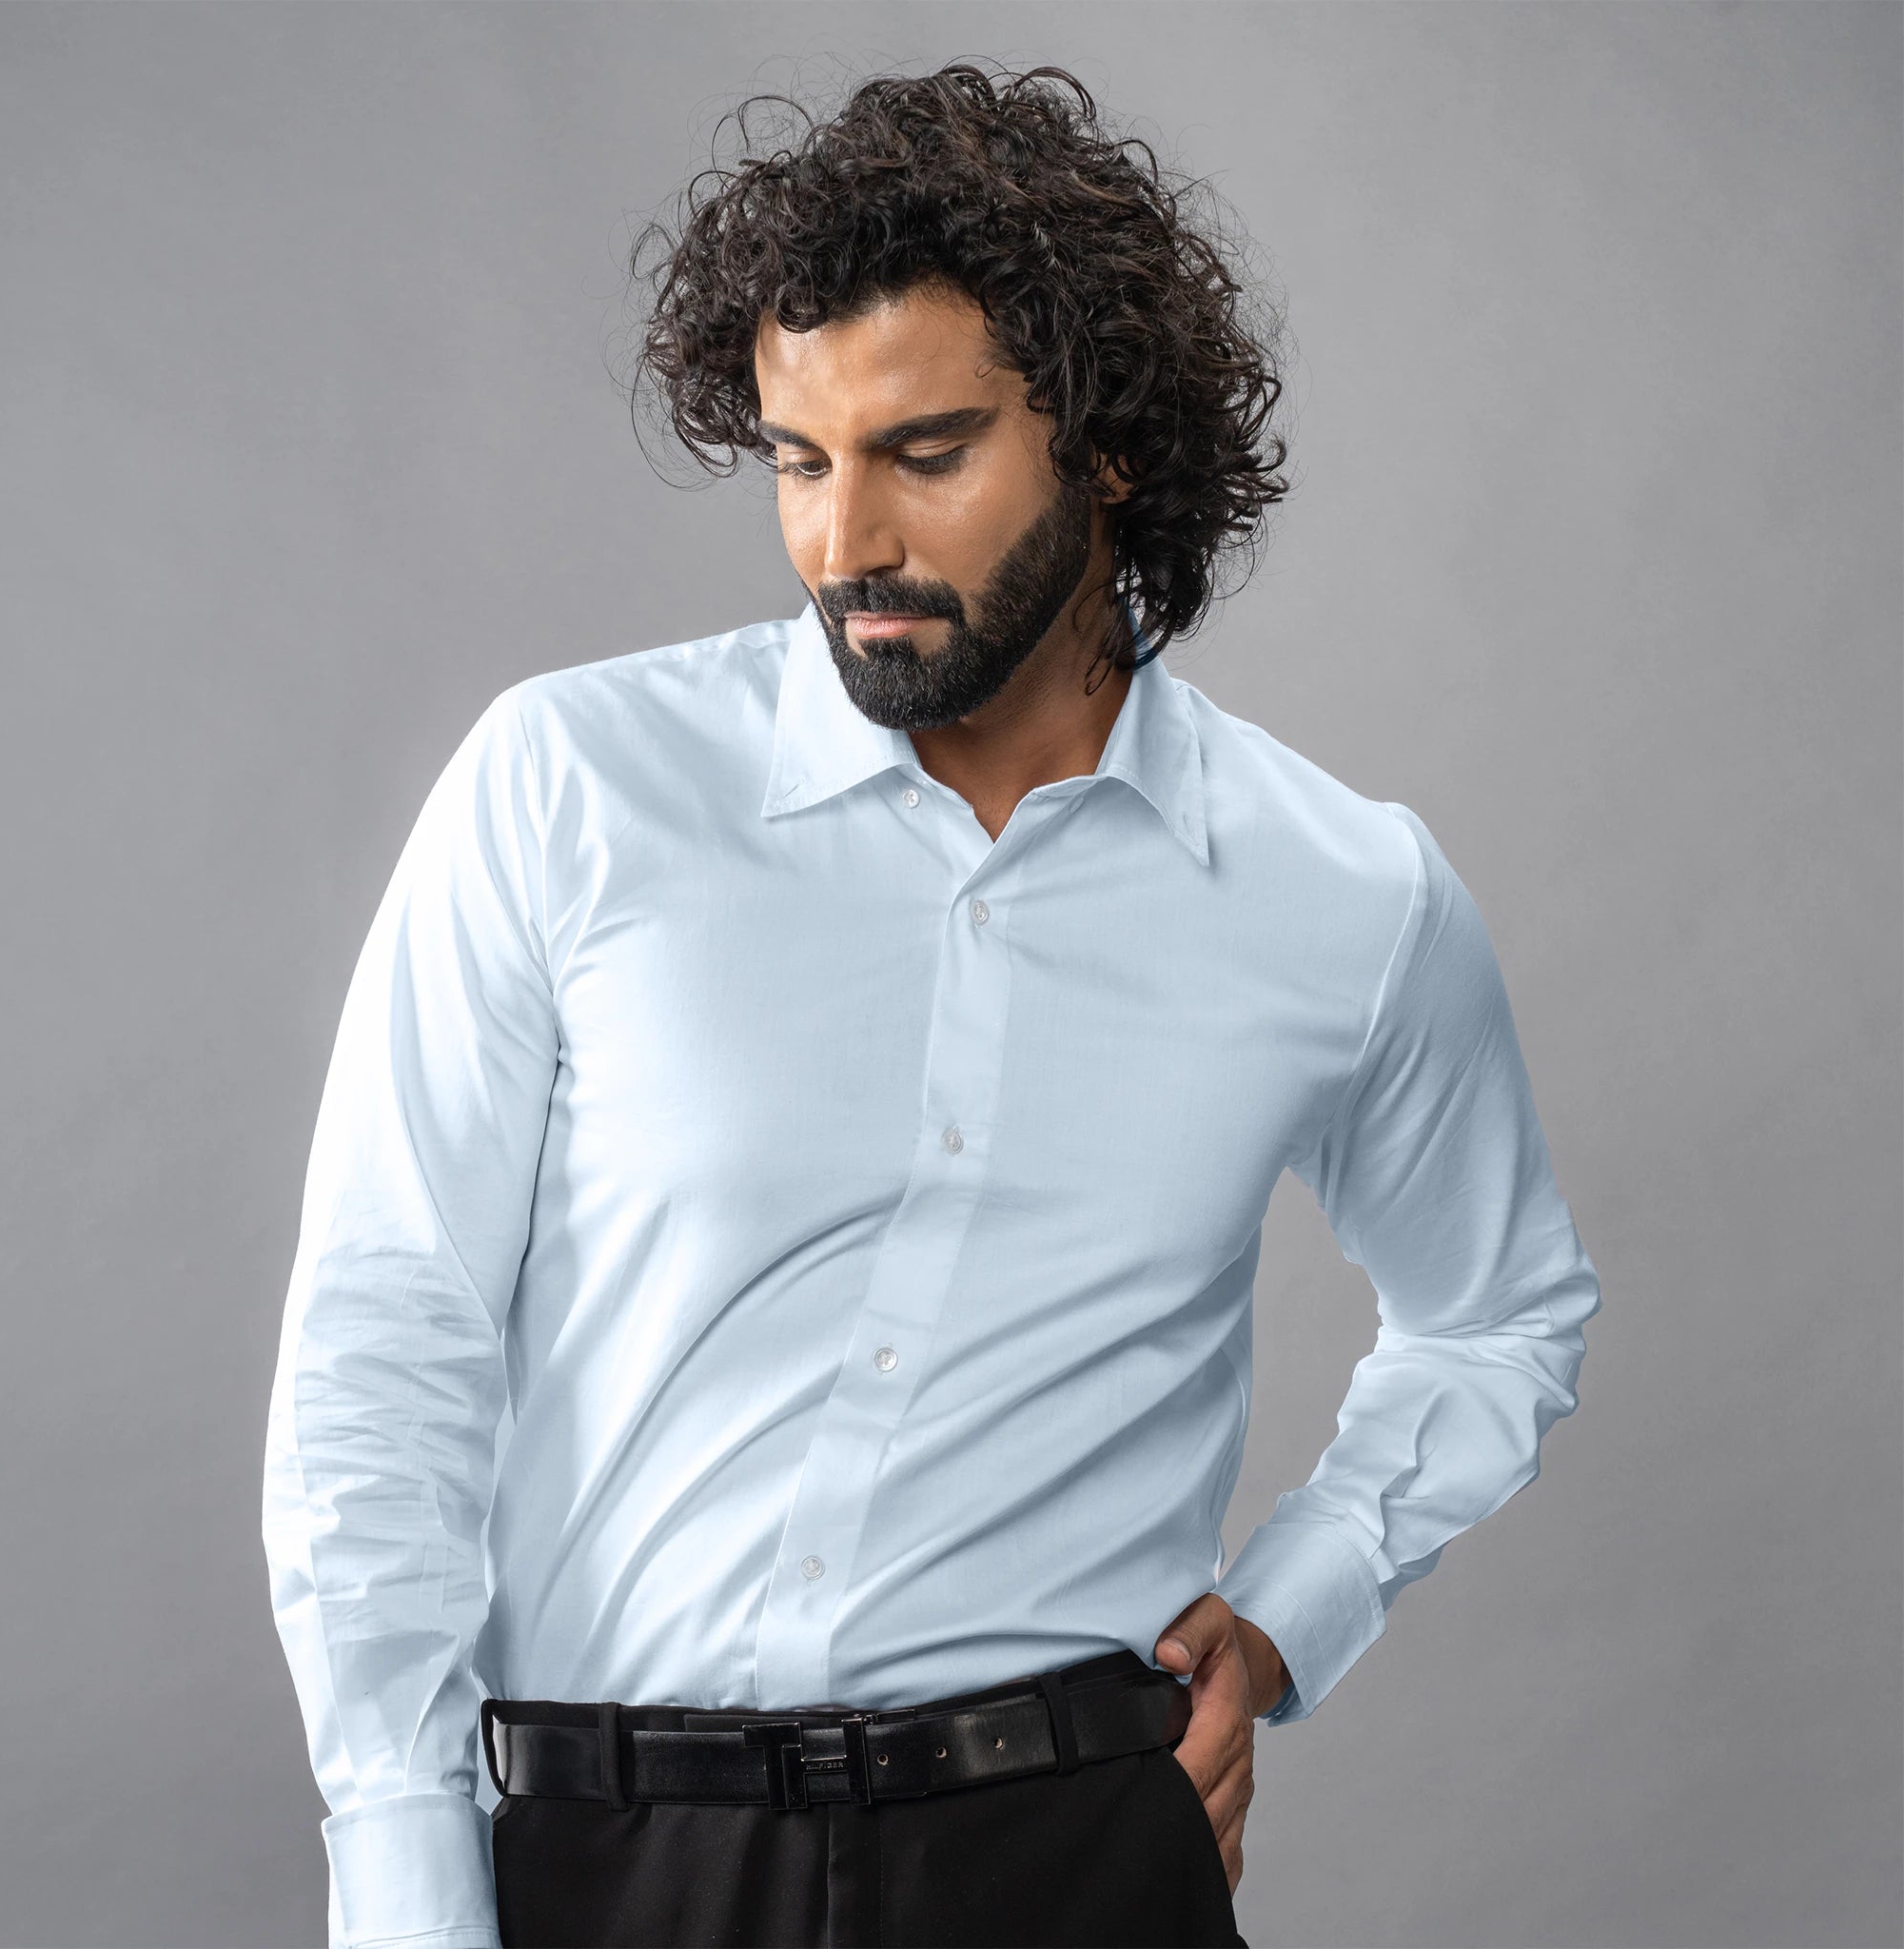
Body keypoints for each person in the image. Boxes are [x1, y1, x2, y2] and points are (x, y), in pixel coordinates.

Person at [262, 61, 1600, 1949]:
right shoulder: (565, 787)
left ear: (1111, 447)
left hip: (1068, 1856)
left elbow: (1500, 1310)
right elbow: (380, 1354)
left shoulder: (1342, 892)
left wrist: (1298, 1596)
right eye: (801, 460)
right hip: (606, 1857)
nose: (840, 543)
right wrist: (404, 1878)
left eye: (927, 452)